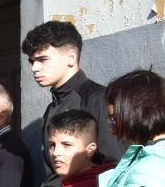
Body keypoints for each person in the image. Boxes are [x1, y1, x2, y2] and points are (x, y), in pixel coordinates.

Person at [24, 20, 120, 164]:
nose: (34, 68)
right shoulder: (52, 108)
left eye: (43, 59)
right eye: (32, 61)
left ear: (71, 57)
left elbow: (113, 163)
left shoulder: (100, 99)